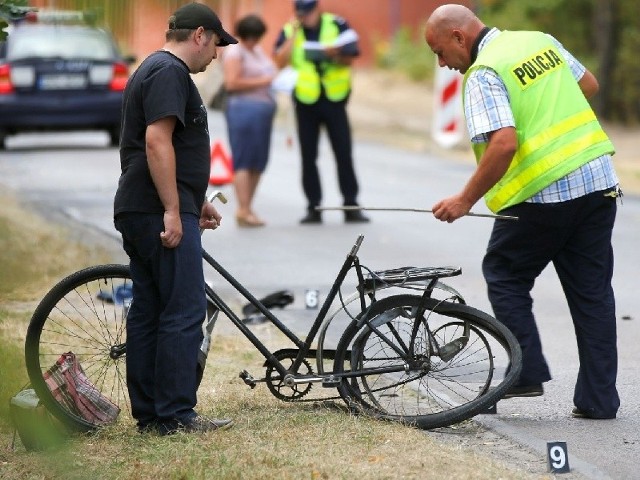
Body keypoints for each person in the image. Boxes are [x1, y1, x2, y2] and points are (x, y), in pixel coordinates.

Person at [425, 4, 621, 419]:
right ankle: (599, 401)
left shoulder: (484, 73)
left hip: (544, 193)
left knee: (505, 274)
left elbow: (503, 144)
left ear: (460, 37)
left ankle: (525, 372)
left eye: (440, 52)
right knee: (593, 293)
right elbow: (588, 83)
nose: (442, 64)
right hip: (598, 179)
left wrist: (464, 201)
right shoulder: (538, 42)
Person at [113, 3, 238, 435]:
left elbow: (168, 148)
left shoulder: (151, 68)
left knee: (150, 309)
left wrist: (192, 198)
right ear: (199, 34)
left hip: (142, 204)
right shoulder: (169, 72)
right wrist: (172, 208)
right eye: (216, 44)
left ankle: (151, 415)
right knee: (185, 309)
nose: (217, 55)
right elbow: (156, 142)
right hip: (154, 207)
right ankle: (175, 415)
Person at [274, 0, 369, 224]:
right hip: (306, 101)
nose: (304, 17)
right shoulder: (290, 30)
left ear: (317, 9)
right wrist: (294, 34)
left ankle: (350, 204)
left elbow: (353, 54)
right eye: (300, 14)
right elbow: (279, 61)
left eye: (307, 13)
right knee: (309, 156)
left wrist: (334, 53)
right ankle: (314, 207)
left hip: (334, 100)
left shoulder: (337, 24)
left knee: (343, 152)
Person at [223, 14, 277, 227]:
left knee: (258, 160)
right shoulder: (235, 52)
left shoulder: (257, 51)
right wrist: (265, 80)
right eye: (251, 37)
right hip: (243, 110)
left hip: (263, 111)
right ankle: (243, 208)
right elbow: (232, 83)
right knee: (244, 158)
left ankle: (248, 207)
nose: (254, 41)